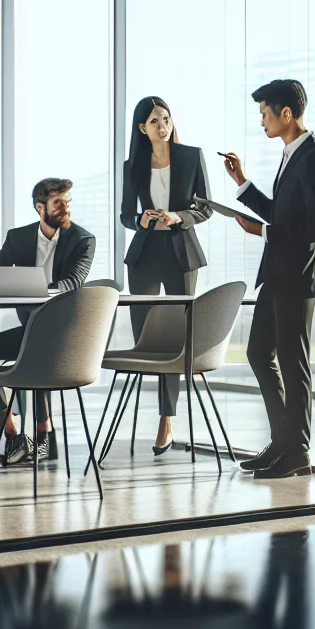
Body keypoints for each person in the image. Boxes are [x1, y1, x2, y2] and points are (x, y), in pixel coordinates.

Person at [219, 79, 315, 480]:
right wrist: (242, 183)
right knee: (258, 354)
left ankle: (297, 451)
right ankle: (282, 440)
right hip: (277, 274)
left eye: (265, 114)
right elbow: (281, 213)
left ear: (286, 114)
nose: (262, 122)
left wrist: (262, 233)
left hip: (297, 277)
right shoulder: (292, 154)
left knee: (293, 363)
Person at [0, 177, 95, 465]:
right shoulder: (18, 237)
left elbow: (72, 283)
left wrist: (31, 286)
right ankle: (14, 435)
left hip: (64, 333)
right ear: (40, 207)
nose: (65, 208)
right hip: (32, 329)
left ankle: (44, 434)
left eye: (67, 202)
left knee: (36, 351)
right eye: (57, 202)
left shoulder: (82, 240)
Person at [118, 95, 212, 456]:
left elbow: (204, 207)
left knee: (173, 340)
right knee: (148, 339)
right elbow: (126, 214)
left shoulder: (191, 156)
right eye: (156, 120)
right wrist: (139, 220)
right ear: (143, 127)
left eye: (167, 118)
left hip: (180, 253)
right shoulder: (132, 165)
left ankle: (166, 418)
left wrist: (178, 217)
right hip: (143, 256)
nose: (163, 125)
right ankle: (154, 415)